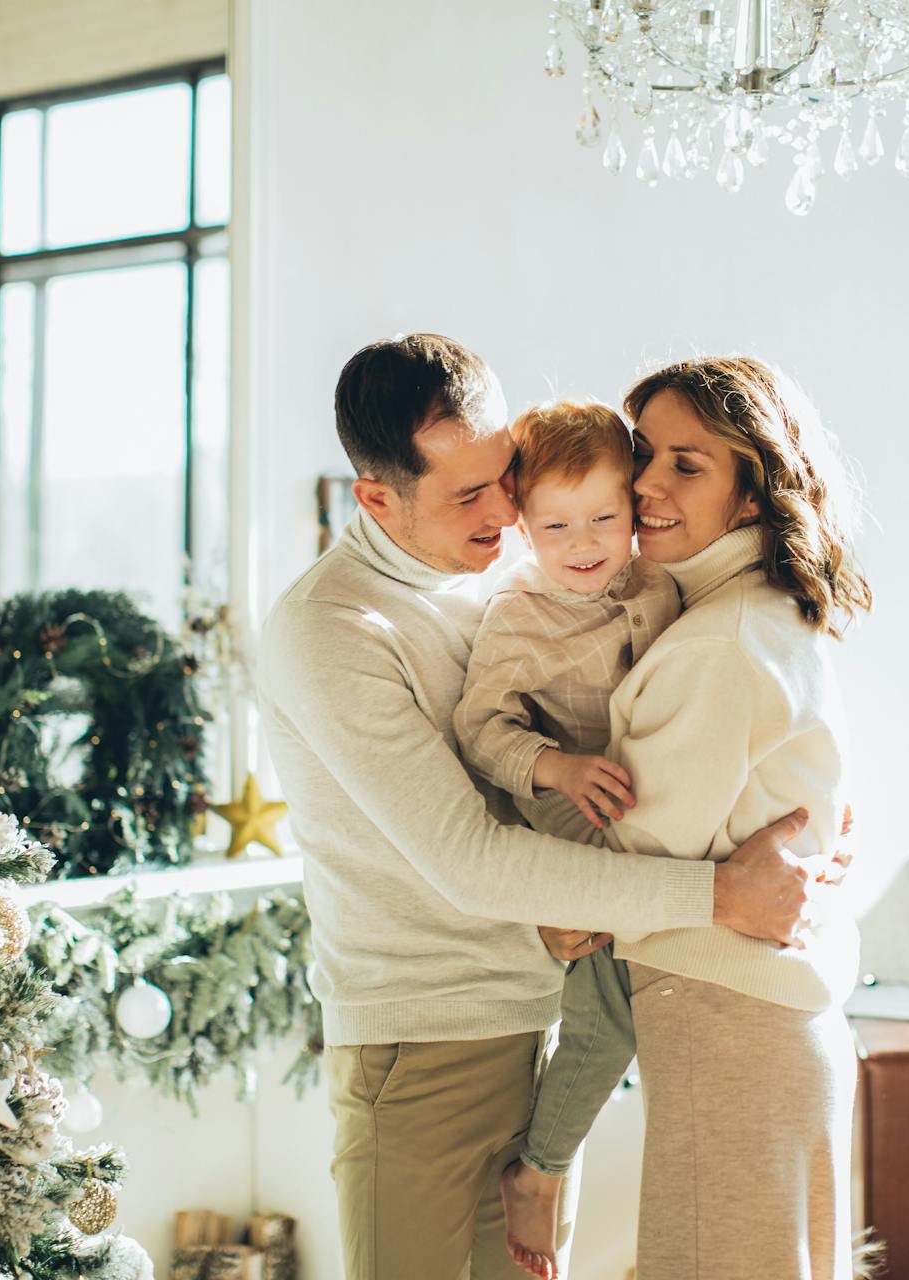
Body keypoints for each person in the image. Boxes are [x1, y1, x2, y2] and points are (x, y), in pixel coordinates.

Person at [255, 335, 832, 1280]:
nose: (507, 513)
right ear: (375, 498)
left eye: (503, 480)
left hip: (538, 1019)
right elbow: (470, 860)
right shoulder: (332, 630)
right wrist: (720, 896)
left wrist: (801, 818)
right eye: (468, 497)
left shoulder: (508, 575)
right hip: (423, 1046)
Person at [507, 355, 875, 1280]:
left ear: (752, 495)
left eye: (688, 463)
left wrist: (560, 908)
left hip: (730, 1030)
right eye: (645, 455)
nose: (647, 484)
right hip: (765, 1029)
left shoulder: (720, 643)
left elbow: (633, 866)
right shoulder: (752, 614)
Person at [450, 400, 678, 1267]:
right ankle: (540, 1172)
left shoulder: (658, 585)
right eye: (555, 524)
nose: (582, 543)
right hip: (570, 810)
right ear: (518, 518)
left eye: (604, 519)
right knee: (606, 1014)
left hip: (646, 809)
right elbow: (481, 730)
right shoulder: (518, 615)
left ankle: (550, 1167)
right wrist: (555, 766)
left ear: (634, 509)